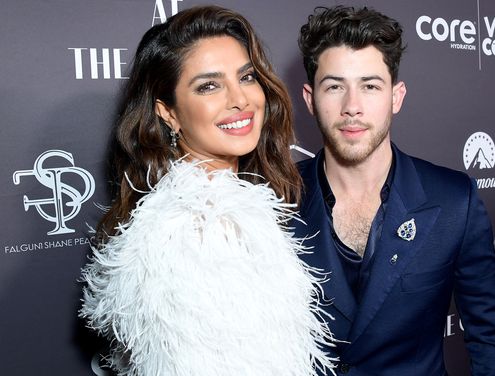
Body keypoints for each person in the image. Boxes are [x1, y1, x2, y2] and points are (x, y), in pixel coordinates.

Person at [80, 6, 335, 376]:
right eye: (209, 86)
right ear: (169, 113)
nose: (241, 99)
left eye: (247, 77)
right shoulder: (193, 226)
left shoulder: (232, 206)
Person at [292, 5, 495, 375]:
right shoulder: (272, 200)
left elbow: (490, 336)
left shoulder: (453, 200)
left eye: (370, 86)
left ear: (396, 97)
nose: (352, 107)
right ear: (309, 98)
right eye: (334, 86)